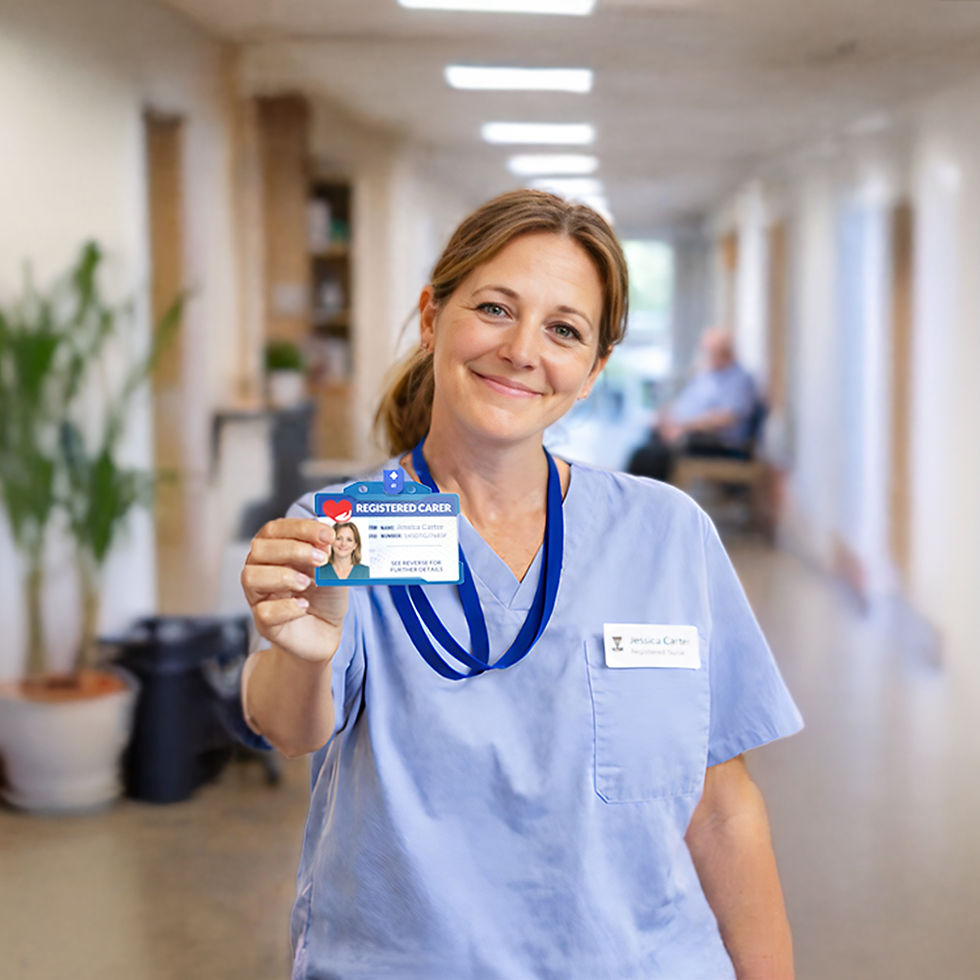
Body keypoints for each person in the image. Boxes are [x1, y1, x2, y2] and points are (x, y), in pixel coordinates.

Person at [240, 189, 802, 979]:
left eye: (564, 330)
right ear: (433, 317)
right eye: (496, 309)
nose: (522, 350)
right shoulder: (349, 530)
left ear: (592, 369)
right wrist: (299, 652)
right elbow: (288, 729)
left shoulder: (668, 534)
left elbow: (721, 807)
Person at [627, 326, 761, 484]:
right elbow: (685, 404)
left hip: (717, 443)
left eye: (709, 351)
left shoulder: (740, 380)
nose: (704, 355)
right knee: (643, 450)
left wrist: (683, 428)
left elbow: (726, 417)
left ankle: (652, 500)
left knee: (653, 457)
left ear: (726, 352)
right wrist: (664, 417)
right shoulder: (707, 375)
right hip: (686, 434)